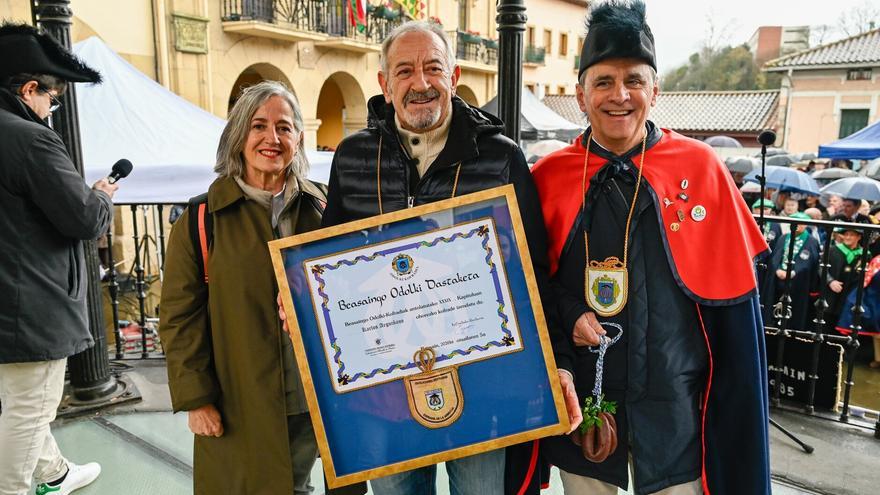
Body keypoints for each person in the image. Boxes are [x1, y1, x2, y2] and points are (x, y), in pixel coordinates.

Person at [530, 2, 771, 493]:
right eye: (603, 82)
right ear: (580, 94)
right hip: (587, 404)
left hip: (676, 404)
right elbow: (527, 288)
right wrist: (570, 309)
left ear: (655, 90)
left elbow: (735, 309)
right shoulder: (548, 177)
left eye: (634, 81)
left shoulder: (701, 168)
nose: (620, 96)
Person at [318, 20, 551, 495]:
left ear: (454, 74)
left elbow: (533, 268)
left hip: (483, 385)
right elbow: (328, 258)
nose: (420, 83)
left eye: (432, 68)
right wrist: (301, 295)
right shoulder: (351, 157)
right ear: (384, 83)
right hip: (383, 389)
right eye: (404, 71)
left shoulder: (501, 157)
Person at [159, 81, 365, 495]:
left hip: (318, 397)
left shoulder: (324, 207)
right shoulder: (202, 220)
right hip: (242, 398)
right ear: (238, 135)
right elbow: (180, 318)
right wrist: (196, 398)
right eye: (259, 126)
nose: (272, 138)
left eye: (285, 128)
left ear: (299, 140)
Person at [0, 23, 114, 495]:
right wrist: (101, 197)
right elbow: (84, 219)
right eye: (51, 98)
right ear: (30, 89)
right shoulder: (31, 140)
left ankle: (55, 474)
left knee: (16, 401)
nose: (51, 108)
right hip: (30, 305)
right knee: (30, 409)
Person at [760, 212, 820, 331]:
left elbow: (809, 260)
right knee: (774, 309)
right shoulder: (783, 237)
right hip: (778, 281)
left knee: (793, 315)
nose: (796, 225)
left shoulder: (811, 241)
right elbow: (775, 255)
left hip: (797, 284)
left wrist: (793, 272)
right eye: (794, 222)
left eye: (800, 223)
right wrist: (777, 269)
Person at [824, 218, 868, 334]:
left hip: (850, 299)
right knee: (826, 328)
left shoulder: (865, 254)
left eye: (852, 235)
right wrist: (830, 281)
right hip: (832, 296)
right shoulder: (833, 250)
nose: (847, 237)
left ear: (859, 237)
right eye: (846, 234)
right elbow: (821, 268)